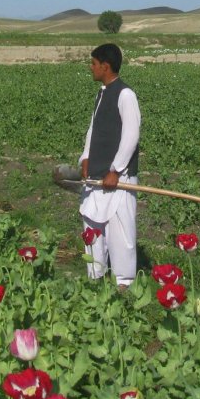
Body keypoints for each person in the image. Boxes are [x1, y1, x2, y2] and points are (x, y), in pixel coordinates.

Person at [78, 43, 141, 288]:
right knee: (92, 227)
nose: (90, 68)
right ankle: (95, 280)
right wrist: (86, 158)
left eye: (93, 64)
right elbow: (93, 131)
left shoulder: (126, 95)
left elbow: (131, 136)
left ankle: (124, 284)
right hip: (96, 175)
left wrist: (115, 170)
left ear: (105, 66)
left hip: (119, 179)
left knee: (121, 233)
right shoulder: (101, 93)